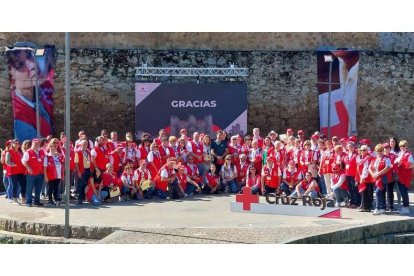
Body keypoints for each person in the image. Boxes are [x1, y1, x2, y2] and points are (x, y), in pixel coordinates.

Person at [7, 48, 52, 141]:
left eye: (30, 59)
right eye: (21, 65)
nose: (31, 66)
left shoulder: (37, 103)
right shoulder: (20, 117)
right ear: (12, 76)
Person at [369, 144, 391, 215]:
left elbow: (387, 167)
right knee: (380, 193)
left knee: (378, 192)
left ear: (383, 151)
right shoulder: (374, 159)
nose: (379, 152)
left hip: (383, 178)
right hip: (375, 178)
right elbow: (369, 168)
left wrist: (378, 174)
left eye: (381, 150)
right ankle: (382, 208)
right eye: (378, 151)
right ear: (376, 151)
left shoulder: (386, 158)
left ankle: (377, 208)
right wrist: (373, 174)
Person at [21, 138, 45, 207]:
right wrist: (28, 168)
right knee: (29, 188)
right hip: (31, 174)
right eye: (35, 143)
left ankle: (37, 201)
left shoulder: (41, 151)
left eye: (38, 143)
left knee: (38, 188)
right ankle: (28, 202)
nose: (37, 144)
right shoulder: (28, 151)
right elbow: (23, 161)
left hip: (40, 173)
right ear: (32, 143)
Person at [394, 140, 413, 214]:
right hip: (399, 175)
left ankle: (406, 207)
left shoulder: (409, 154)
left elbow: (412, 165)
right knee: (402, 192)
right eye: (401, 146)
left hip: (404, 176)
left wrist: (403, 164)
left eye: (404, 146)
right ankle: (405, 207)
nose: (402, 147)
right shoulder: (399, 154)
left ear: (406, 146)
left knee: (404, 191)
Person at [43, 141, 65, 206]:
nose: (53, 148)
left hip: (58, 175)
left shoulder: (59, 156)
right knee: (50, 188)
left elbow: (62, 166)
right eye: (51, 146)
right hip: (50, 175)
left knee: (56, 188)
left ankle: (56, 199)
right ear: (49, 147)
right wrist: (45, 176)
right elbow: (44, 167)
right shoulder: (47, 156)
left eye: (54, 147)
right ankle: (50, 200)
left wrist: (62, 174)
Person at [5, 139, 26, 205]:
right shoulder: (9, 152)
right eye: (15, 143)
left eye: (18, 143)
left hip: (21, 171)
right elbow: (7, 161)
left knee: (23, 185)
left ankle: (23, 198)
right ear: (12, 144)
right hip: (13, 172)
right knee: (15, 185)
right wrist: (12, 164)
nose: (17, 144)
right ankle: (14, 199)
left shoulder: (20, 152)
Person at [355, 145, 374, 212]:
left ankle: (366, 207)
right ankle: (364, 206)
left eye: (364, 150)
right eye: (361, 150)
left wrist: (362, 177)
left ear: (367, 151)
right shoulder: (363, 158)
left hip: (366, 178)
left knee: (365, 192)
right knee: (363, 192)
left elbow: (366, 168)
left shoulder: (367, 158)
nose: (362, 151)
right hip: (362, 177)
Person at [74, 140, 92, 204]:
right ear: (81, 145)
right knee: (81, 184)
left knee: (87, 184)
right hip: (82, 170)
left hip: (88, 169)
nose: (85, 145)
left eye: (86, 143)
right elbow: (76, 163)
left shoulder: (88, 151)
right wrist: (78, 172)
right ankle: (80, 198)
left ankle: (85, 197)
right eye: (84, 143)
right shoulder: (78, 152)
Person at [343, 141, 360, 208]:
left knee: (355, 188)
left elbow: (358, 165)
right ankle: (351, 201)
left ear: (354, 147)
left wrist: (357, 175)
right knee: (350, 188)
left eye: (351, 146)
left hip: (354, 174)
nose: (350, 147)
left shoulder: (357, 154)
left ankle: (356, 202)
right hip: (348, 174)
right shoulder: (346, 154)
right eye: (349, 146)